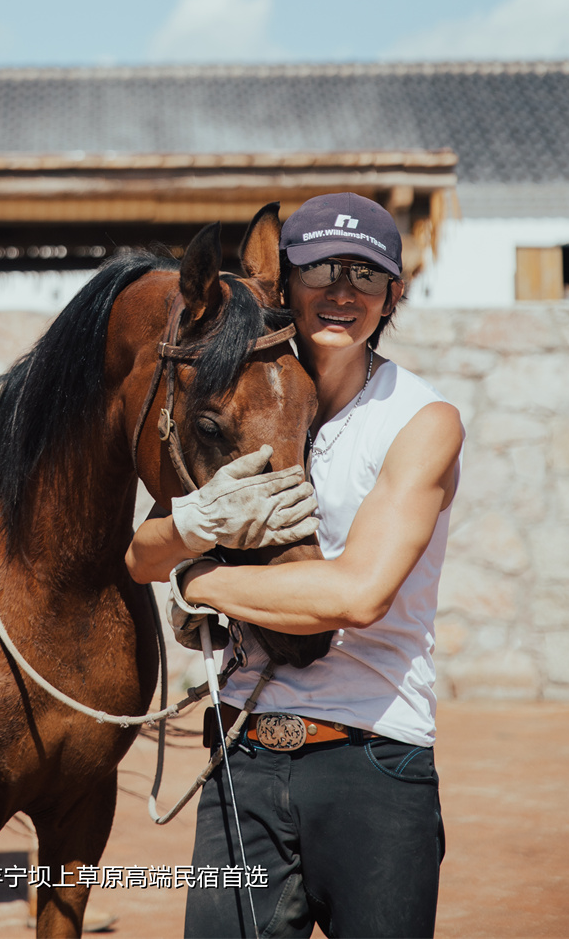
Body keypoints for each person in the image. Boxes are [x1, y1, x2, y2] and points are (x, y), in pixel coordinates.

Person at [126, 192, 463, 939]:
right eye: (321, 270)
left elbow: (359, 594)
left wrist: (200, 579)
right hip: (241, 755)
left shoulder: (420, 421)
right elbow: (139, 552)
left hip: (373, 760)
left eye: (366, 276)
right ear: (284, 285)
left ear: (392, 296)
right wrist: (187, 524)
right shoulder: (253, 396)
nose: (343, 292)